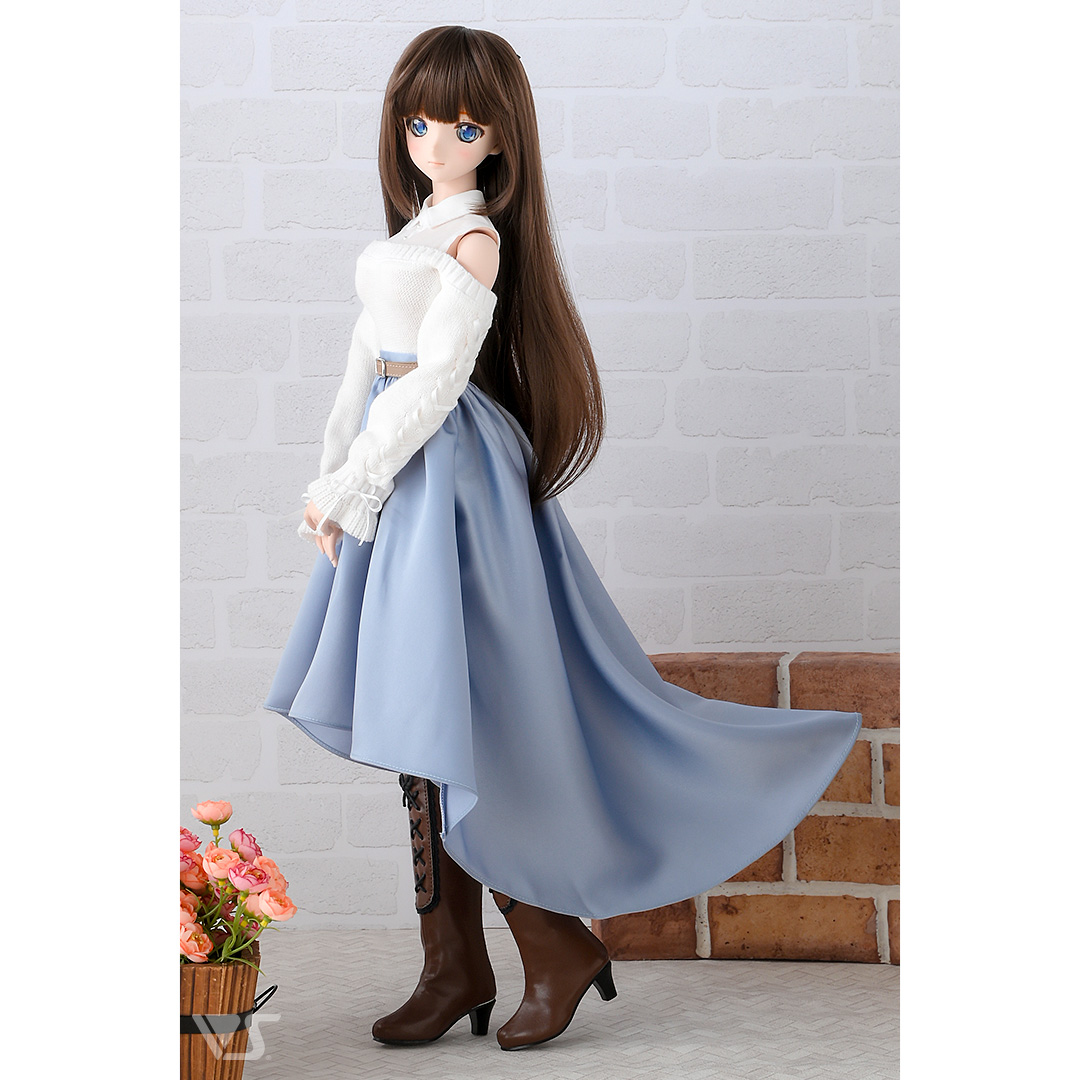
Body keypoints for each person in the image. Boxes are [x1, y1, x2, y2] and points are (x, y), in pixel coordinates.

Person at [263, 24, 862, 1052]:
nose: (435, 143)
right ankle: (454, 963)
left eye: (460, 127)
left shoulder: (474, 241)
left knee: (466, 716)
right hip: (396, 478)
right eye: (418, 123)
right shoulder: (409, 238)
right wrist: (330, 482)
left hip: (444, 479)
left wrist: (358, 481)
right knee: (417, 721)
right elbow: (362, 371)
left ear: (497, 137)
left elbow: (435, 383)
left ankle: (550, 945)